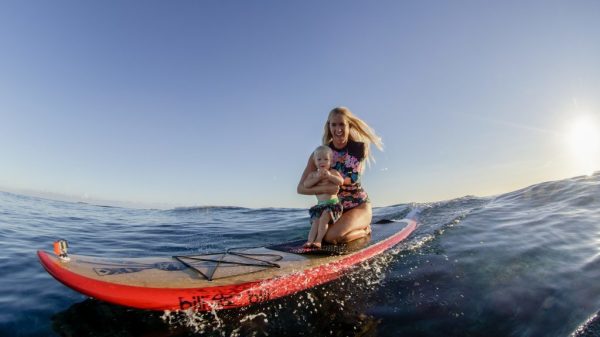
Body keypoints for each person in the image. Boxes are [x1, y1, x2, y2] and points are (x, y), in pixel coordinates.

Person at [297, 106, 383, 244]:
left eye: (342, 124)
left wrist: (327, 182)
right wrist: (323, 189)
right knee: (322, 235)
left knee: (330, 237)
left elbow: (352, 178)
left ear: (349, 126)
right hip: (333, 209)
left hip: (358, 206)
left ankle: (365, 229)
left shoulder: (358, 148)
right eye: (334, 124)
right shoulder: (321, 154)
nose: (338, 129)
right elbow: (301, 188)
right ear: (329, 127)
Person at [303, 145, 344, 248]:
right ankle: (310, 241)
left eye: (326, 159)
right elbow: (306, 185)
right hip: (320, 206)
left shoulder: (333, 172)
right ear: (315, 161)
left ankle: (318, 240)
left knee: (324, 217)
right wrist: (317, 178)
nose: (322, 161)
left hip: (332, 205)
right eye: (319, 159)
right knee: (316, 221)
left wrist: (330, 176)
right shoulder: (313, 175)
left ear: (331, 161)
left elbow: (341, 181)